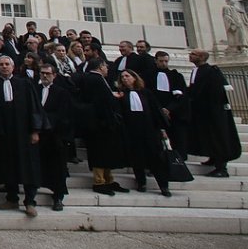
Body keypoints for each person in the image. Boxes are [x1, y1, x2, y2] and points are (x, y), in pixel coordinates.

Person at [0, 56, 45, 216]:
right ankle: (12, 198)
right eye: (1, 64)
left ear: (13, 67)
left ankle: (30, 201)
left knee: (29, 167)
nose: (4, 67)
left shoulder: (25, 83)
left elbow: (34, 107)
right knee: (7, 166)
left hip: (24, 133)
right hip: (4, 134)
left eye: (7, 64)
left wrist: (35, 130)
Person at [187, 49, 242, 177]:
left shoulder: (212, 71)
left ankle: (222, 168)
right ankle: (213, 157)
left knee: (218, 137)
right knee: (208, 136)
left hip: (213, 112)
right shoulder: (197, 70)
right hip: (203, 112)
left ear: (201, 57)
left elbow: (215, 92)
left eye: (193, 54)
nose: (190, 56)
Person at [78, 58, 129, 196]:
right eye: (105, 66)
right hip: (100, 123)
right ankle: (99, 181)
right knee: (100, 152)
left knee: (106, 152)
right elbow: (100, 101)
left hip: (102, 123)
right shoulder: (95, 80)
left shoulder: (94, 79)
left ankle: (108, 179)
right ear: (100, 67)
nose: (107, 69)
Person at [118, 69, 171, 196]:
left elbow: (156, 112)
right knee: (137, 157)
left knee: (156, 158)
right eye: (122, 77)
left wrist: (162, 129)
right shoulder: (121, 95)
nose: (125, 78)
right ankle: (141, 182)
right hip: (132, 130)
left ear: (134, 77)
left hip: (150, 130)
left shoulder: (146, 93)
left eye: (127, 76)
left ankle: (164, 185)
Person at [37, 62, 73, 210]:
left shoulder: (62, 92)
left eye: (48, 73)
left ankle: (58, 197)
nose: (45, 76)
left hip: (55, 135)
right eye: (42, 73)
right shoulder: (35, 89)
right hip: (38, 134)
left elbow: (64, 114)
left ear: (54, 75)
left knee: (58, 168)